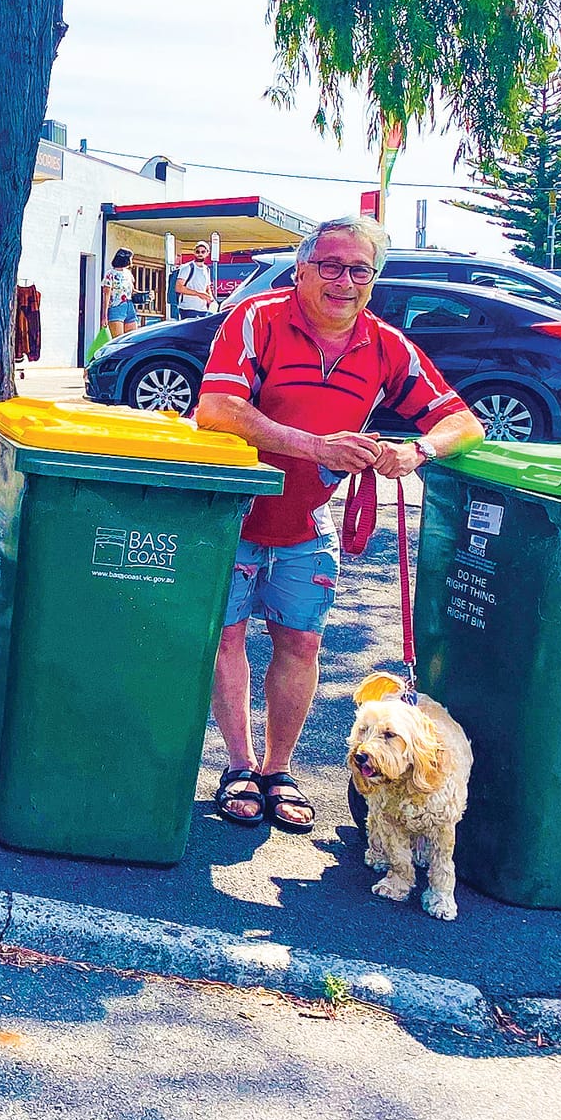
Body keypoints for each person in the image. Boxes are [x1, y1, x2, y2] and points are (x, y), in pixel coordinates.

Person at [194, 216, 485, 833]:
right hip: (230, 518)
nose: (343, 281)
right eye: (329, 265)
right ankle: (239, 767)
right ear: (302, 270)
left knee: (300, 642)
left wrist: (417, 451)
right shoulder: (257, 320)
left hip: (305, 520)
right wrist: (314, 446)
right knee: (225, 639)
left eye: (360, 270)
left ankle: (277, 771)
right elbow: (217, 409)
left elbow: (463, 422)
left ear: (373, 282)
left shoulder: (384, 345)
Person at [101, 248, 137, 339]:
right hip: (116, 306)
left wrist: (146, 295)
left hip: (129, 306)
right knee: (118, 340)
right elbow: (106, 294)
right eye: (130, 258)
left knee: (131, 339)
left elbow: (132, 291)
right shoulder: (110, 274)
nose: (131, 261)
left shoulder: (128, 274)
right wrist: (104, 316)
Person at [176, 242, 216, 317]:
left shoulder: (206, 269)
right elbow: (179, 287)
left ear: (207, 253)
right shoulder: (187, 267)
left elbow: (207, 288)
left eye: (203, 252)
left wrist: (210, 299)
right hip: (188, 309)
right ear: (194, 252)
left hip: (203, 310)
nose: (200, 254)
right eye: (197, 251)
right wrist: (199, 294)